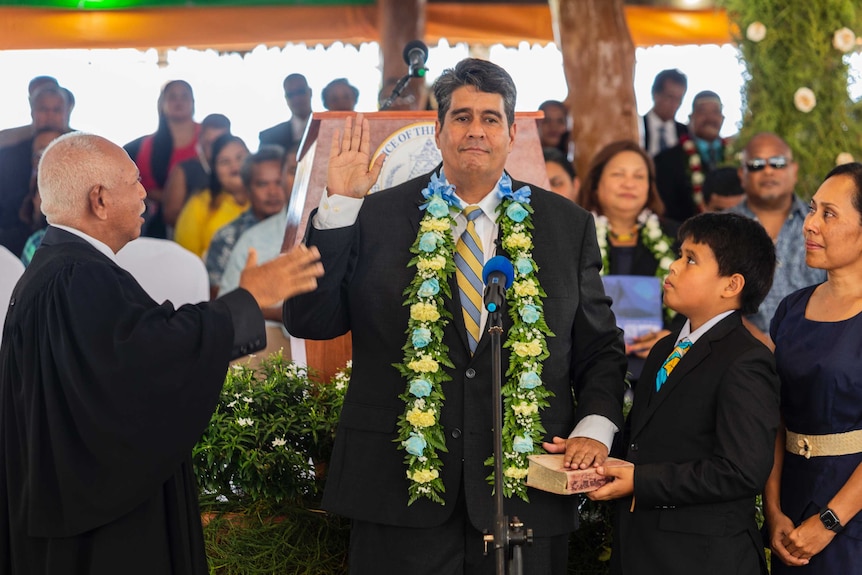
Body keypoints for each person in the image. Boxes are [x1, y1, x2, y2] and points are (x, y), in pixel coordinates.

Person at [284, 58, 627, 574]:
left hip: (524, 498)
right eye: (462, 117)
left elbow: (599, 349)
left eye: (491, 118)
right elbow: (311, 320)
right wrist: (337, 207)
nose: (476, 131)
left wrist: (595, 428)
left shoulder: (566, 226)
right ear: (438, 131)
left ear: (512, 133)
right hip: (397, 493)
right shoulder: (374, 215)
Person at [0, 132, 323, 575]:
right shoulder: (77, 278)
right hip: (98, 532)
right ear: (99, 200)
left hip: (70, 510)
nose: (144, 195)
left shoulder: (58, 270)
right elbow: (148, 358)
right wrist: (247, 299)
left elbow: (137, 349)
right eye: (133, 182)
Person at [589, 211, 780, 575]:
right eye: (679, 255)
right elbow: (641, 441)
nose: (674, 267)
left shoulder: (745, 360)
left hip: (703, 557)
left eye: (690, 259)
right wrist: (590, 448)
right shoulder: (665, 349)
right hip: (642, 550)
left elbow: (741, 471)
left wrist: (641, 481)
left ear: (731, 285)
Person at [764, 162, 862, 573]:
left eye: (829, 214)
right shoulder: (792, 309)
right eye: (811, 208)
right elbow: (776, 417)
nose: (810, 225)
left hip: (852, 508)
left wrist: (830, 521)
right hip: (790, 501)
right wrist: (772, 510)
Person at [579, 140, 682, 383]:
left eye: (639, 176)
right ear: (596, 183)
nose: (629, 184)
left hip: (660, 366)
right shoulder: (575, 236)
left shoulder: (677, 238)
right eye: (618, 174)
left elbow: (698, 297)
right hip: (591, 366)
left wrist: (672, 337)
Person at [729, 132, 825, 347]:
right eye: (756, 164)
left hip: (816, 352)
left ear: (794, 170)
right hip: (740, 359)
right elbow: (708, 298)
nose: (768, 171)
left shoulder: (824, 225)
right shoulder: (722, 228)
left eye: (778, 162)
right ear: (741, 174)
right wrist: (757, 342)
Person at [206, 145, 286, 298]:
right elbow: (221, 301)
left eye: (278, 182)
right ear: (247, 188)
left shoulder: (304, 227)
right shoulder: (228, 237)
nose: (273, 192)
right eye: (262, 184)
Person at [0, 84, 71, 256]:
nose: (50, 116)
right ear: (32, 113)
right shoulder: (8, 156)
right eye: (43, 109)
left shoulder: (84, 153)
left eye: (56, 110)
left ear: (67, 113)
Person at [125, 80, 200, 239]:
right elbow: (142, 187)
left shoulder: (208, 138)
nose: (178, 101)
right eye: (172, 97)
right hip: (158, 226)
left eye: (184, 96)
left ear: (193, 102)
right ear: (162, 104)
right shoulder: (146, 145)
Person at [654, 90, 728, 222]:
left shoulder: (736, 155)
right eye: (703, 112)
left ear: (722, 118)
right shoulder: (667, 160)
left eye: (715, 112)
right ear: (691, 117)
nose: (710, 118)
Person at [174, 134, 250, 258]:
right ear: (214, 168)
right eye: (225, 162)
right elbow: (185, 258)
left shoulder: (269, 198)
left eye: (240, 158)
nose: (235, 167)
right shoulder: (200, 203)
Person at [161, 113, 231, 231]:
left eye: (221, 143)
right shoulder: (183, 170)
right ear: (200, 139)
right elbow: (170, 216)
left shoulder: (240, 168)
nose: (215, 149)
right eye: (210, 143)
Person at [0, 76, 61, 148]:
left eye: (56, 109)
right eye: (43, 108)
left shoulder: (76, 141)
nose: (49, 114)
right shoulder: (6, 139)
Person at [640, 69, 688, 158]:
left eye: (679, 99)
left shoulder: (686, 133)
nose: (675, 104)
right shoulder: (637, 126)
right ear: (655, 94)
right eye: (670, 97)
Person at [259, 73, 312, 152]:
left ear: (310, 92)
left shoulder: (330, 126)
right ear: (286, 98)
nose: (297, 99)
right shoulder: (269, 138)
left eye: (300, 92)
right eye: (291, 95)